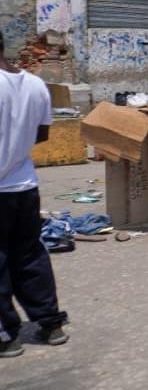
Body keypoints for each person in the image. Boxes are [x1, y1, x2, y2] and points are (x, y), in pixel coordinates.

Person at [0, 34, 69, 357]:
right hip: (25, 187)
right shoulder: (34, 85)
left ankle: (5, 334)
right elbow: (41, 134)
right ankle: (49, 322)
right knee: (29, 253)